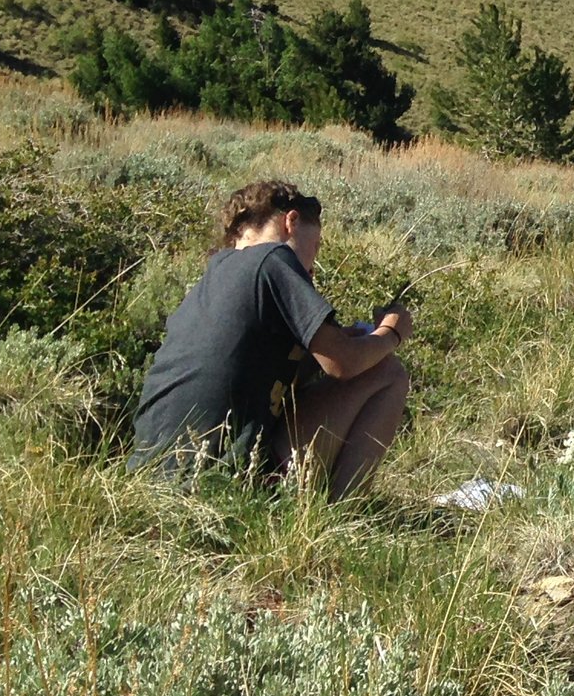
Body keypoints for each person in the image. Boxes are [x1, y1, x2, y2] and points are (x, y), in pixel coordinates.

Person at [132, 180, 413, 498]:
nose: (313, 264)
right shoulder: (273, 259)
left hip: (153, 480)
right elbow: (342, 363)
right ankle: (340, 513)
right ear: (291, 222)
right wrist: (391, 333)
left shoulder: (218, 276)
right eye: (316, 246)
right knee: (389, 374)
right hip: (220, 481)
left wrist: (335, 339)